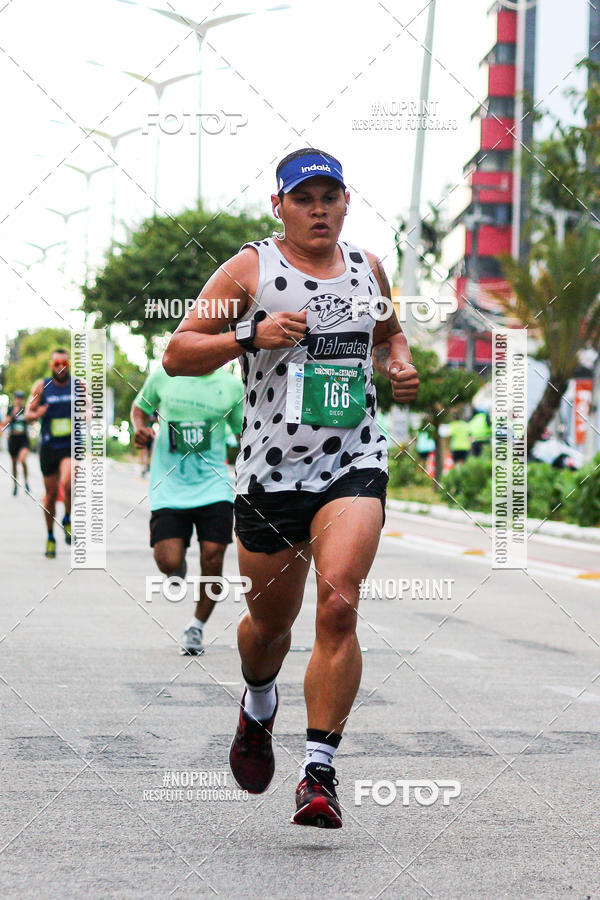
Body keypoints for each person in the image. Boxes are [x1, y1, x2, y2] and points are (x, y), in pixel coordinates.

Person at [163, 148, 419, 828]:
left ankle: (319, 772)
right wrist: (251, 334)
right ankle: (257, 704)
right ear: (278, 206)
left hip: (353, 461)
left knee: (339, 602)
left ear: (345, 202)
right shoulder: (250, 269)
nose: (318, 210)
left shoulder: (369, 268)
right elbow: (178, 352)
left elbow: (390, 335)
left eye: (329, 197)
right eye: (303, 199)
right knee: (269, 628)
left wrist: (399, 363)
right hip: (271, 474)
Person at [131, 365, 243, 655]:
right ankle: (177, 567)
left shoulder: (232, 386)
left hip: (214, 485)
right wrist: (139, 429)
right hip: (169, 485)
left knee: (213, 556)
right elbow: (140, 408)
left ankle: (197, 626)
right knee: (168, 561)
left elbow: (244, 432)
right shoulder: (164, 375)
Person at [25, 349, 78, 559]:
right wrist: (37, 413)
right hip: (48, 447)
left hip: (69, 445)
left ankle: (67, 518)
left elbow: (91, 406)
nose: (60, 367)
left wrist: (87, 412)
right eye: (57, 363)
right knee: (51, 496)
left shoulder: (78, 385)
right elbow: (27, 413)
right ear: (51, 365)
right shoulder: (42, 386)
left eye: (64, 363)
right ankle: (50, 536)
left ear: (69, 364)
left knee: (69, 482)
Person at [2, 390, 31, 495]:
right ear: (14, 399)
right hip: (13, 439)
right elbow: (5, 422)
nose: (19, 400)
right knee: (14, 463)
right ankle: (15, 485)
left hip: (23, 438)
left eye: (21, 398)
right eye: (17, 398)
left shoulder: (25, 409)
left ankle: (26, 482)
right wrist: (13, 413)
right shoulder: (10, 409)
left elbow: (30, 421)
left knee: (22, 460)